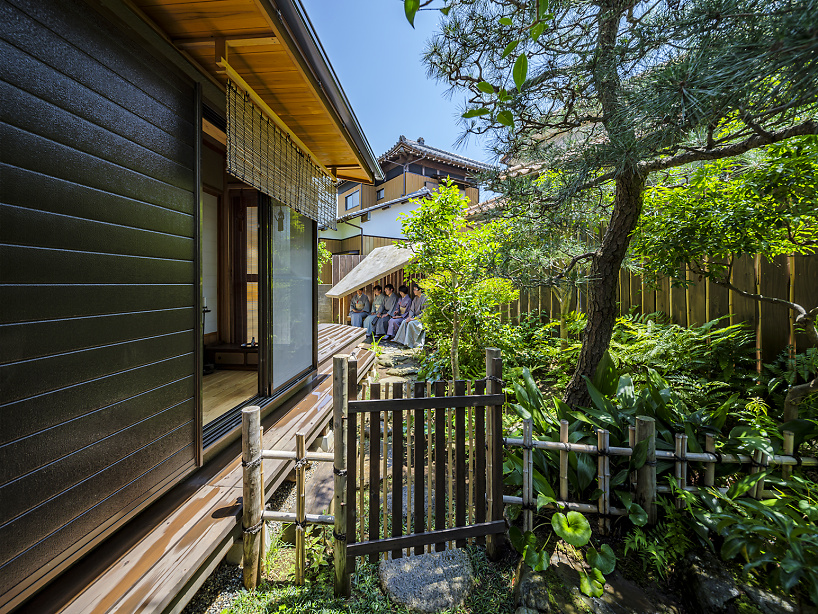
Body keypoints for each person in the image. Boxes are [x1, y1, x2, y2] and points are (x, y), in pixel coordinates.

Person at [393, 283, 428, 348]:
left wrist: (414, 319)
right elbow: (412, 310)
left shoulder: (425, 298)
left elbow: (425, 312)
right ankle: (402, 341)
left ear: (420, 290)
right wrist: (409, 317)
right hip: (414, 317)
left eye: (415, 289)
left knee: (411, 323)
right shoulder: (415, 298)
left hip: (421, 319)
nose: (414, 291)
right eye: (414, 289)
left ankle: (409, 343)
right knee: (404, 321)